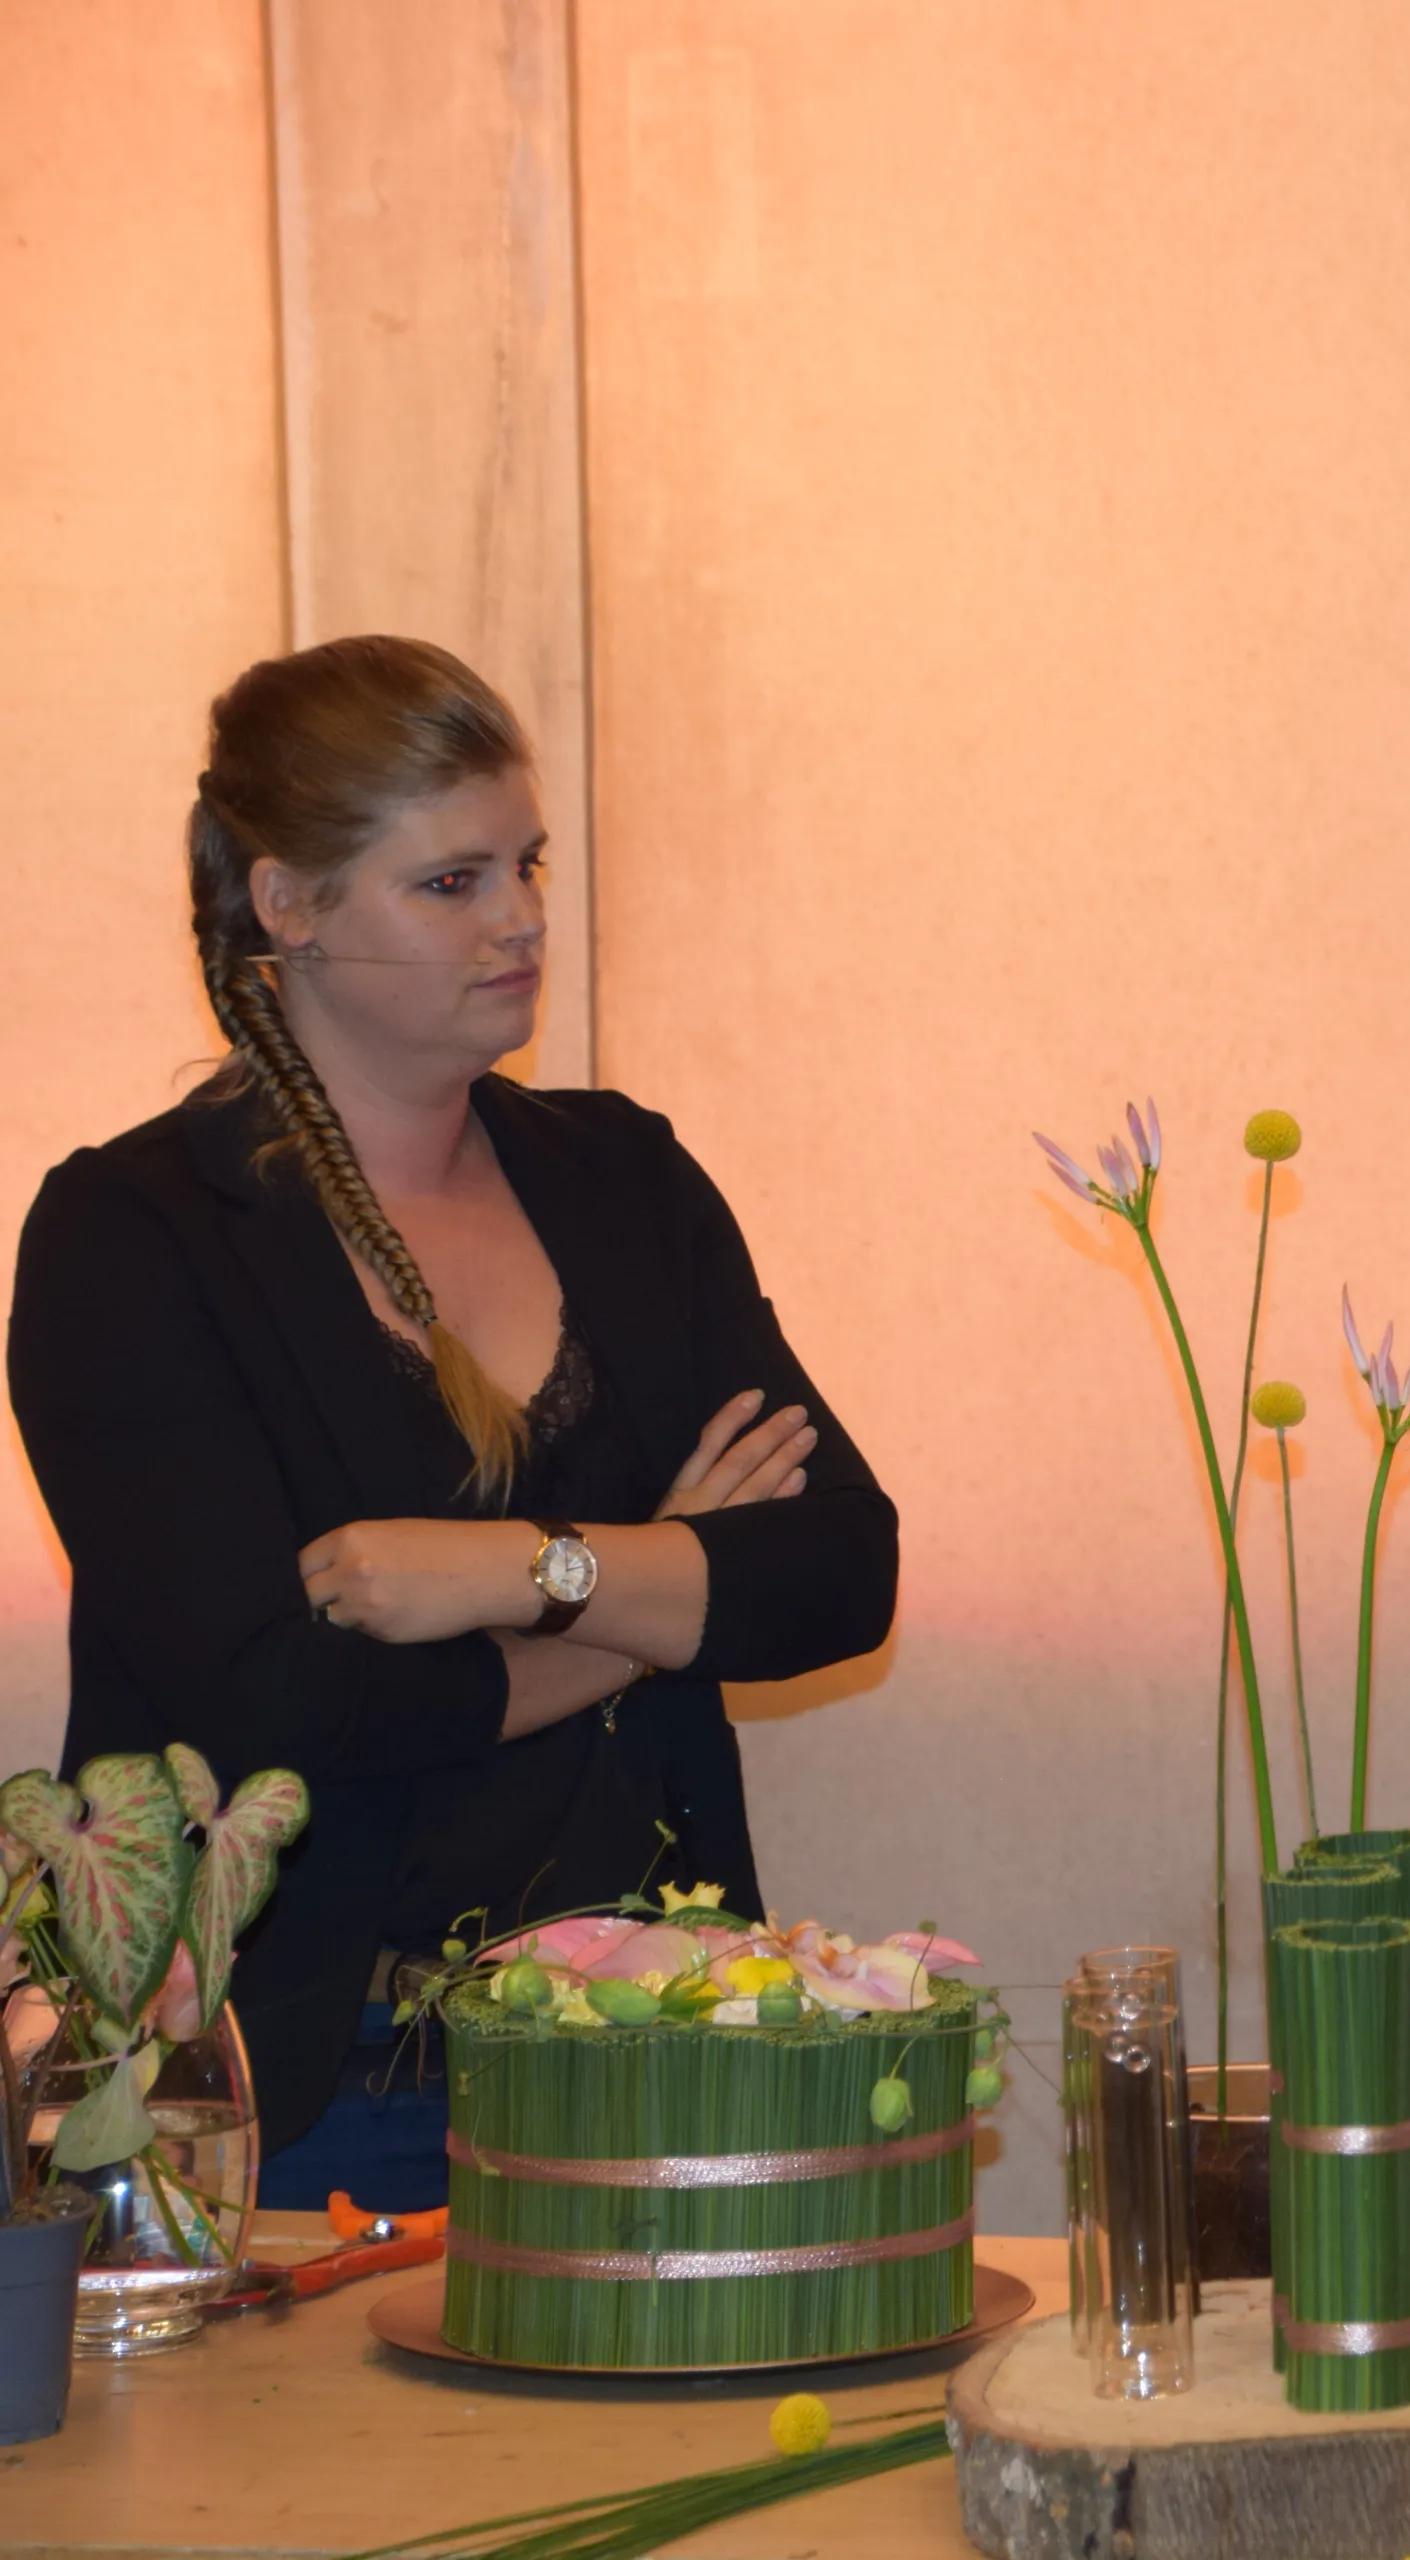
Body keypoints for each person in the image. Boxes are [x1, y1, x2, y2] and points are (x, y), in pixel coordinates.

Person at [7, 636, 898, 2205]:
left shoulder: (623, 1178)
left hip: (660, 2040)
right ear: (287, 907)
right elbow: (284, 1713)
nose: (522, 921)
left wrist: (509, 1570)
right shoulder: (133, 1237)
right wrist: (643, 1607)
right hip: (302, 2086)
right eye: (452, 883)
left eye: (528, 867)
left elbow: (837, 1570)